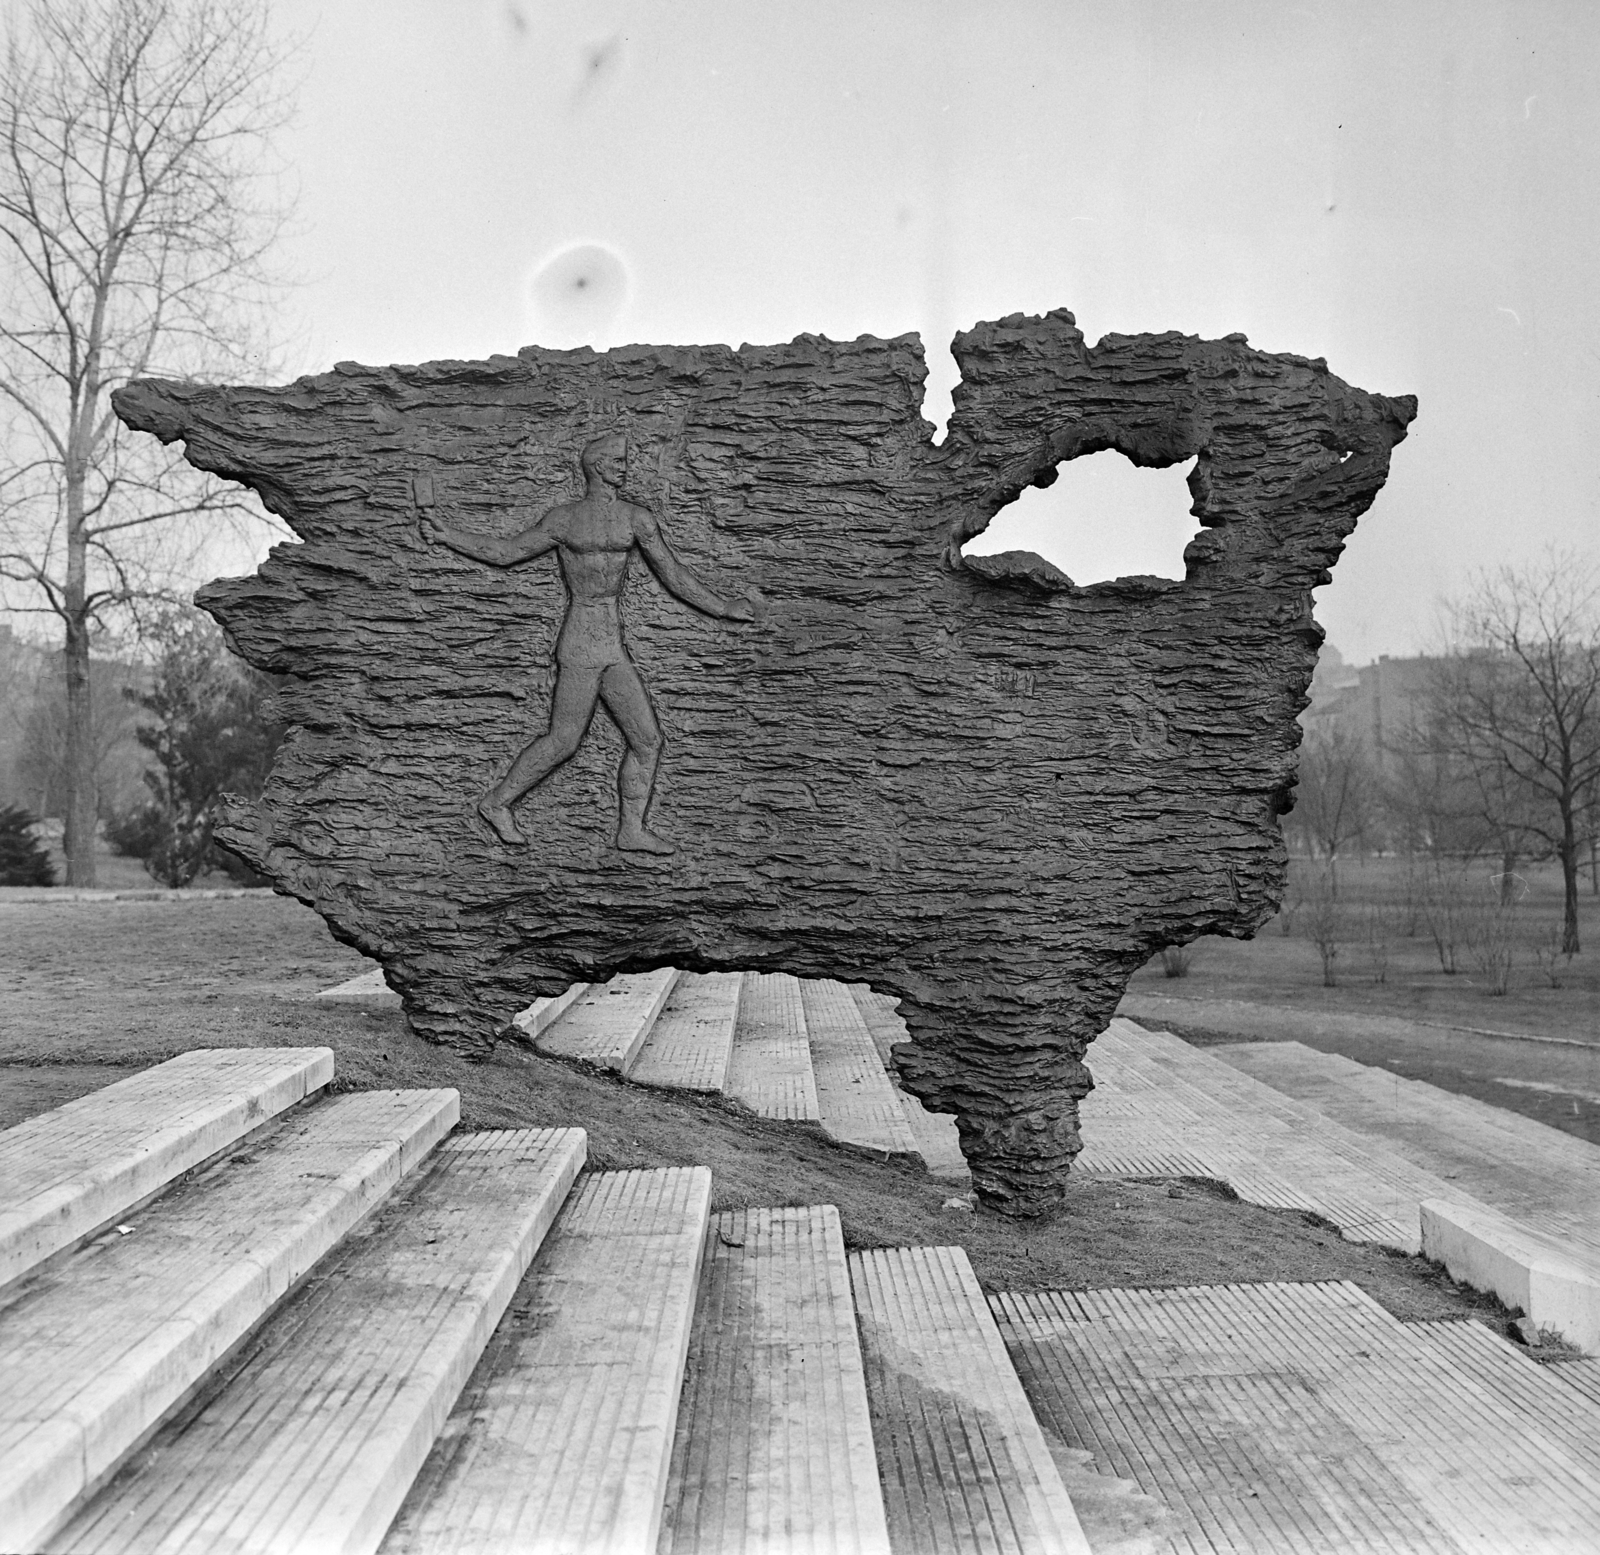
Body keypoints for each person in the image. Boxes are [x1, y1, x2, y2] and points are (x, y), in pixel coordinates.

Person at [418, 431, 756, 854]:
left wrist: (722, 607)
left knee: (647, 740)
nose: (625, 467)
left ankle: (630, 830)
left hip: (611, 646)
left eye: (625, 460)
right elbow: (507, 553)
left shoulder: (636, 518)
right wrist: (448, 536)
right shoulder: (565, 519)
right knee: (563, 741)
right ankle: (496, 803)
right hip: (579, 642)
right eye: (618, 460)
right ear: (597, 465)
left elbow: (673, 575)